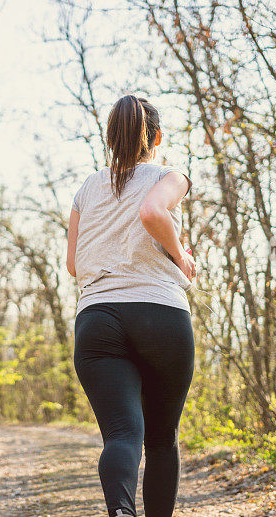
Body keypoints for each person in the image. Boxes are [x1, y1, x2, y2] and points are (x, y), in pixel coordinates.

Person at [66, 94, 195, 517]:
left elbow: (73, 265)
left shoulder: (87, 188)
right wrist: (180, 255)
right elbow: (152, 210)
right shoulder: (169, 175)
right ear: (155, 137)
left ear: (110, 139)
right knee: (161, 438)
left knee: (122, 435)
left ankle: (121, 512)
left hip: (98, 318)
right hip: (161, 313)